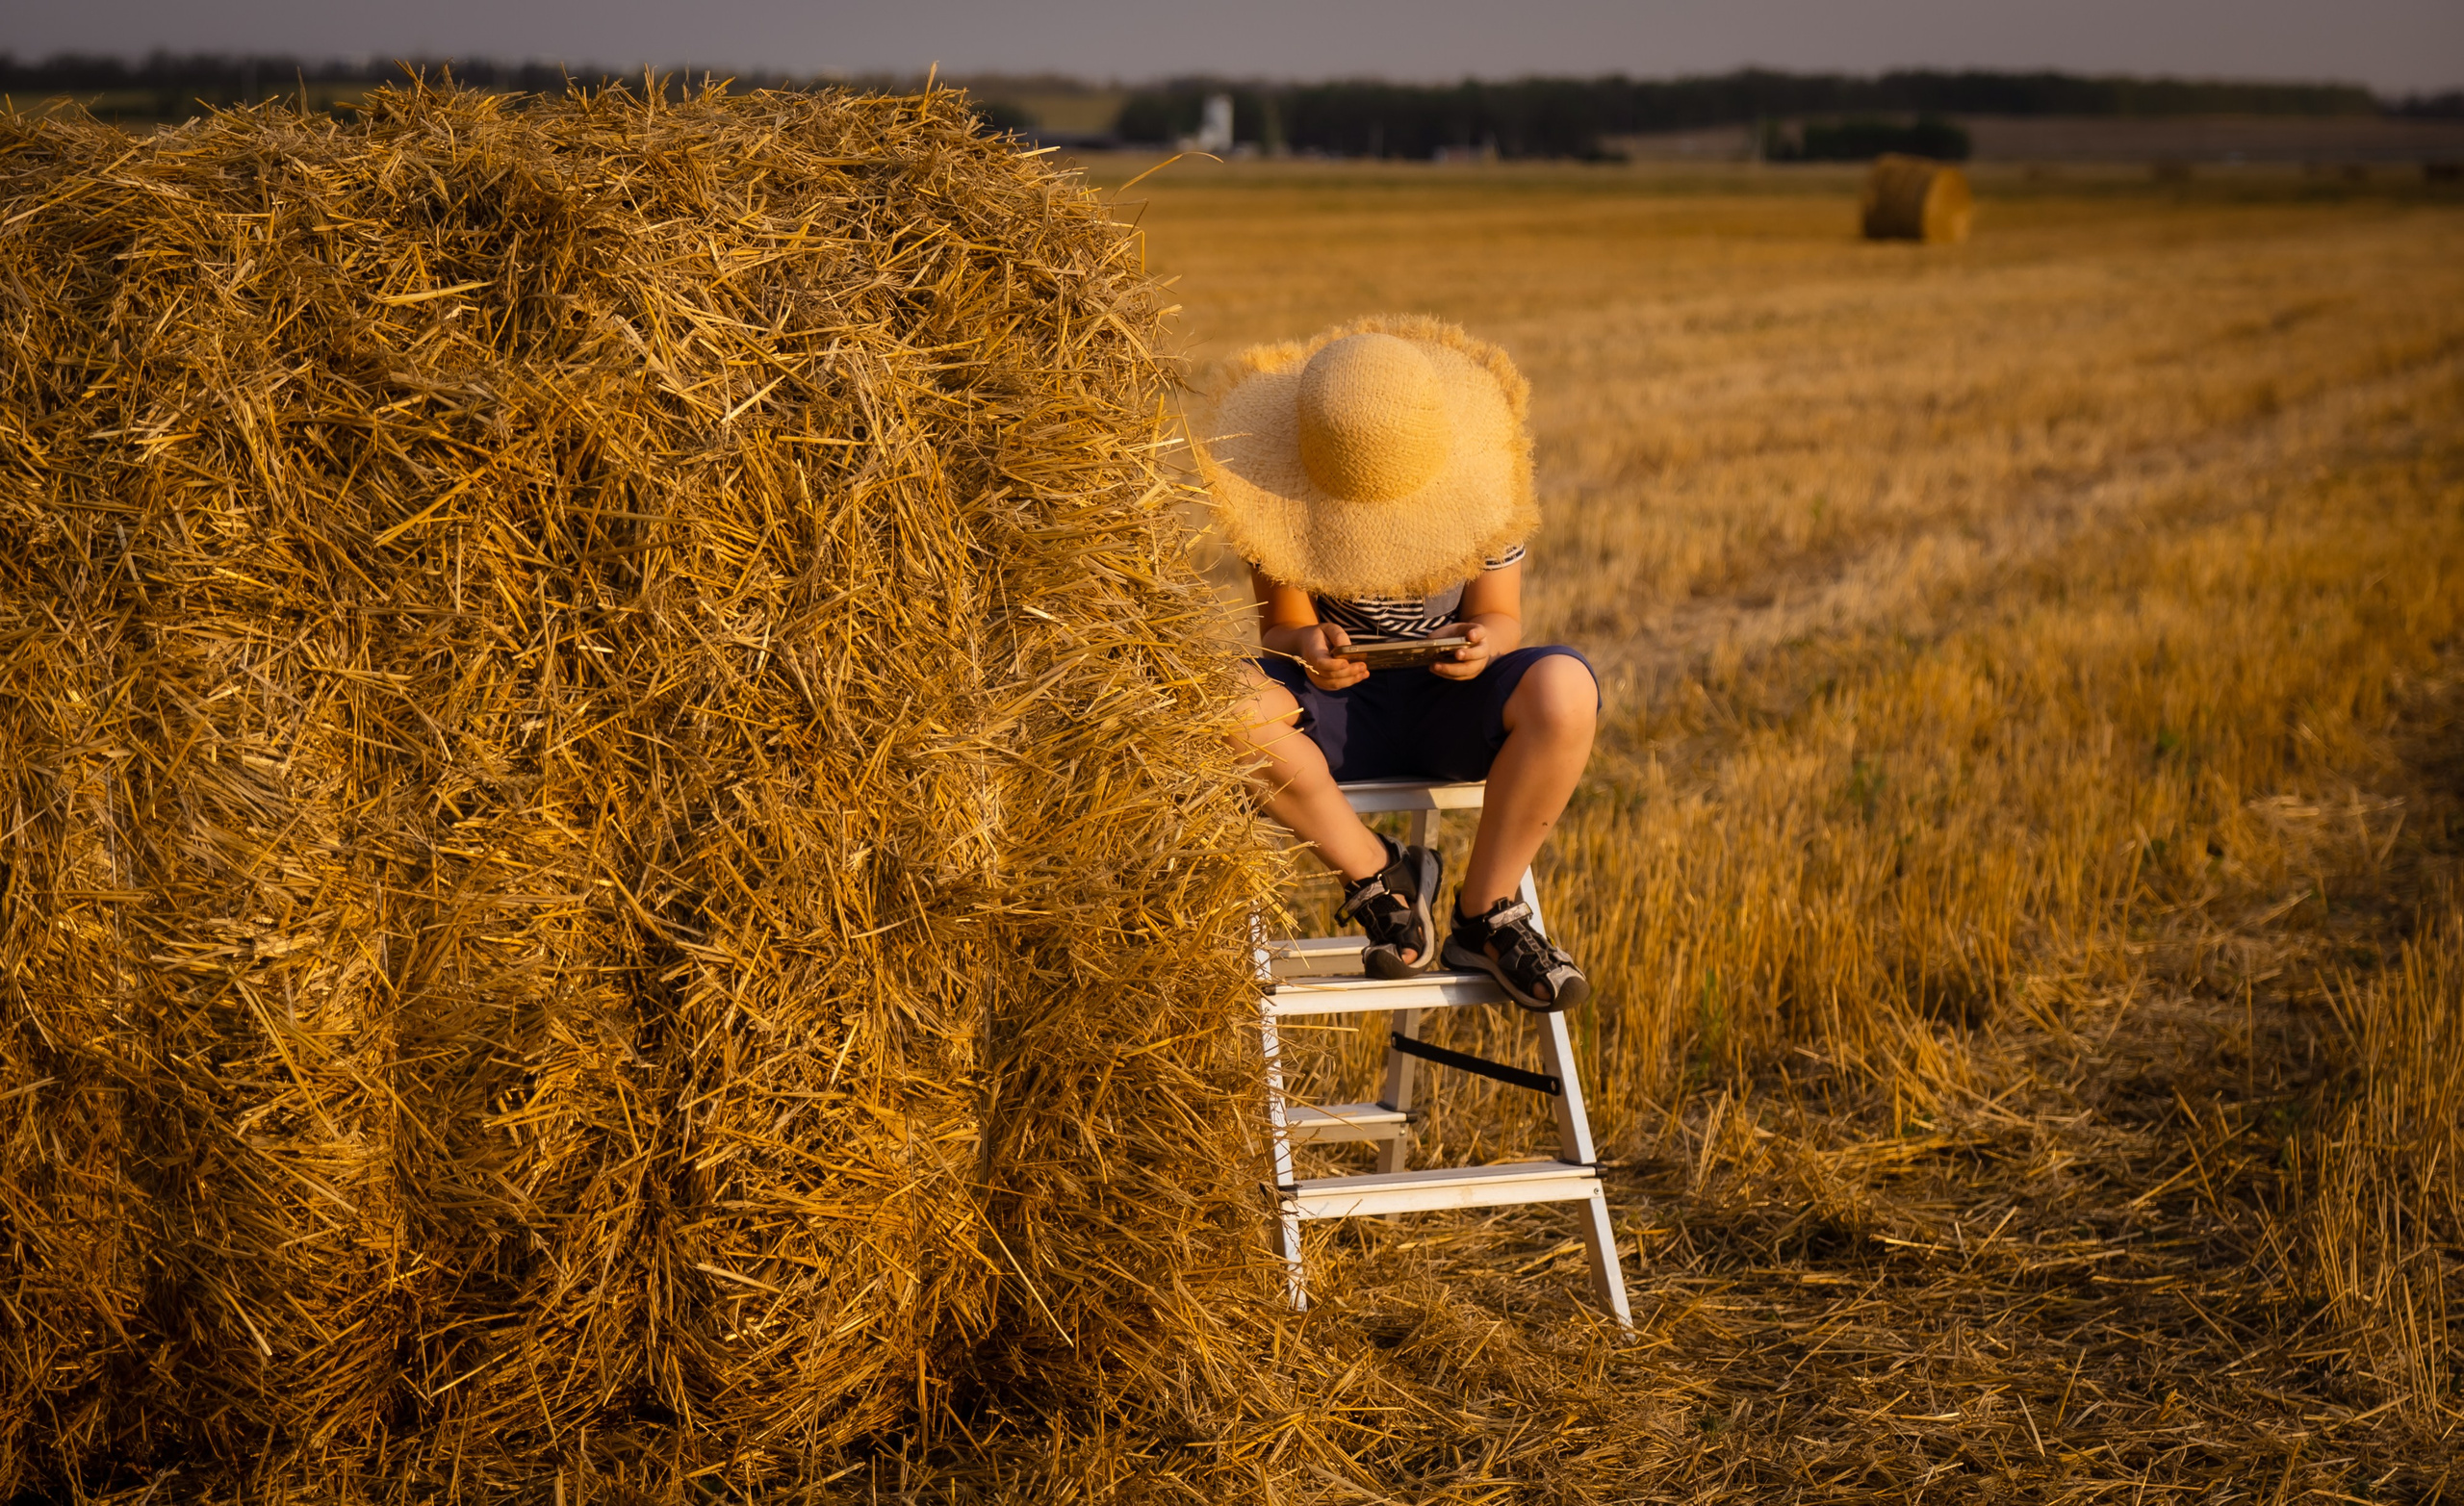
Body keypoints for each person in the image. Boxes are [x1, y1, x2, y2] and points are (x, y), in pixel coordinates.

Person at [1193, 316, 1598, 1013]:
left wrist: (1484, 645)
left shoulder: (1484, 496)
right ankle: (1380, 876)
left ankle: (1486, 914)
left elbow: (1502, 617)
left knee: (1566, 689)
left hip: (1452, 704)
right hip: (1338, 708)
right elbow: (1283, 628)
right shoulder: (1280, 503)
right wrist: (1310, 650)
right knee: (1215, 703)